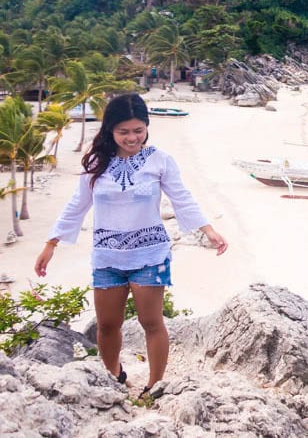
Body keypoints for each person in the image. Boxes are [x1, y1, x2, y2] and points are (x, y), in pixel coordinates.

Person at [34, 92, 227, 398]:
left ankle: (155, 386)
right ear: (110, 130)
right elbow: (77, 204)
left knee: (152, 322)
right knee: (108, 325)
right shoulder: (97, 162)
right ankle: (113, 376)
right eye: (123, 131)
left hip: (150, 254)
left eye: (138, 130)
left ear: (147, 127)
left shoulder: (159, 160)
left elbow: (182, 197)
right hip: (107, 256)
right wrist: (51, 244)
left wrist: (208, 230)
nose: (132, 137)